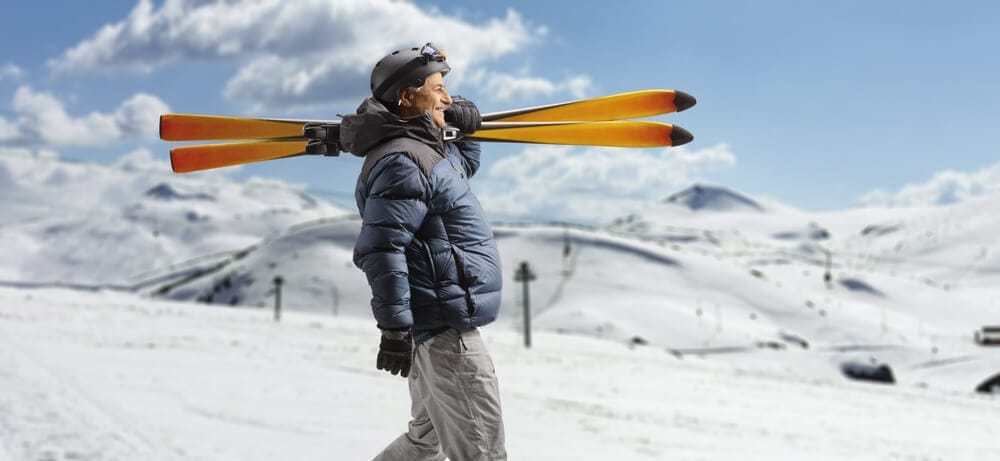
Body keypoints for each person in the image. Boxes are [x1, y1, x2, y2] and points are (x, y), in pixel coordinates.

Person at [338, 43, 507, 461]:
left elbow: (455, 173)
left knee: (425, 442)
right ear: (407, 97)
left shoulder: (423, 152)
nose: (447, 97)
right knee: (482, 452)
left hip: (436, 327)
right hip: (446, 331)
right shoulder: (404, 160)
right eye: (438, 89)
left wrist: (463, 124)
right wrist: (393, 328)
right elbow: (382, 248)